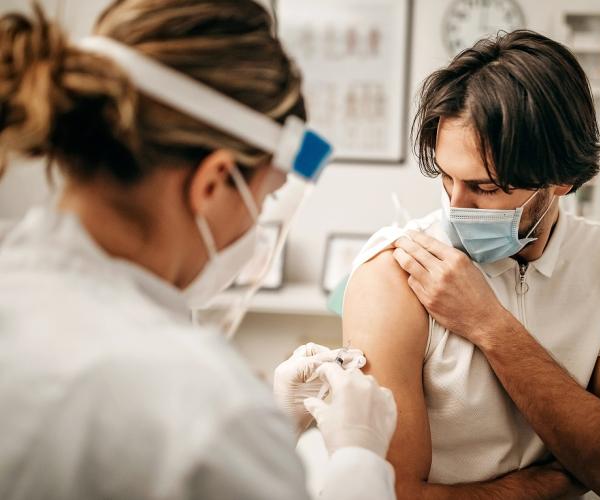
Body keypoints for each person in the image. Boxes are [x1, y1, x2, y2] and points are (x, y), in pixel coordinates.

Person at [0, 2, 397, 499]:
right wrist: (358, 461)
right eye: (266, 196)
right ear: (212, 183)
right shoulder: (204, 402)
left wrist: (269, 423)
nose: (259, 222)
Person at [344, 30, 600, 499]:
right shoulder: (393, 275)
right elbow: (392, 494)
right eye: (446, 178)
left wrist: (490, 325)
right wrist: (549, 481)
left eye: (486, 189)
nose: (456, 207)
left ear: (561, 180)